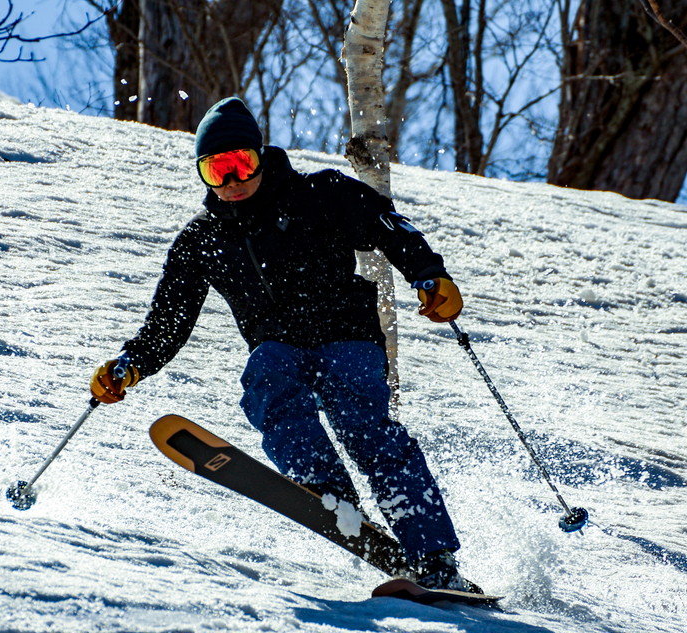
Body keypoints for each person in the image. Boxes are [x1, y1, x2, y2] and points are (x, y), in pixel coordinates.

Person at [90, 97, 480, 593]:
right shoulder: (201, 240)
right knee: (266, 373)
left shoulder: (318, 193)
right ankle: (325, 489)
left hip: (347, 338)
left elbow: (389, 226)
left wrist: (429, 276)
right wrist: (131, 365)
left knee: (369, 433)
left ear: (260, 155)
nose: (233, 181)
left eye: (241, 164)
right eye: (217, 170)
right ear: (202, 176)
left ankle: (436, 559)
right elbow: (169, 320)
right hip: (279, 347)